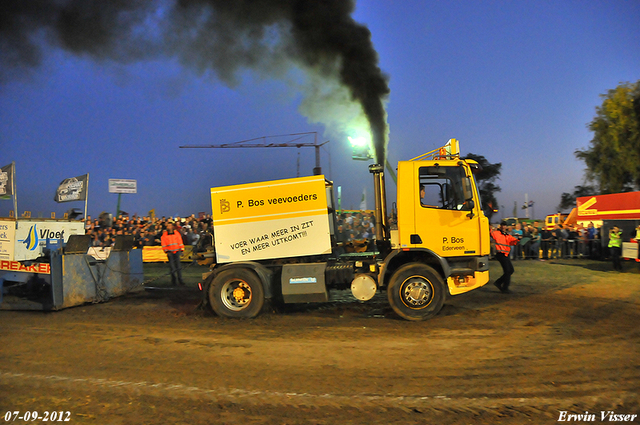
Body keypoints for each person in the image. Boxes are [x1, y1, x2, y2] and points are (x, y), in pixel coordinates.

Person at [490, 221, 519, 293]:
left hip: (505, 254)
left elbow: (513, 241)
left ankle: (499, 282)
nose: (503, 227)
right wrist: (491, 228)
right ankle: (505, 288)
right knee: (508, 271)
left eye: (505, 225)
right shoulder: (496, 233)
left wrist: (519, 239)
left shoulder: (507, 235)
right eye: (502, 225)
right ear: (501, 226)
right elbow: (490, 232)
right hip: (500, 254)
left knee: (510, 270)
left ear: (506, 227)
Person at [161, 220, 186, 286]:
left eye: (170, 226)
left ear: (172, 226)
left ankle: (180, 280)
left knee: (178, 267)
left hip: (177, 252)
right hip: (170, 253)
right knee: (172, 268)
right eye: (168, 226)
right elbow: (163, 244)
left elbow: (180, 242)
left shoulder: (176, 233)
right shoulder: (164, 235)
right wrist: (166, 251)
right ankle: (174, 280)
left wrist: (181, 250)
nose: (169, 227)